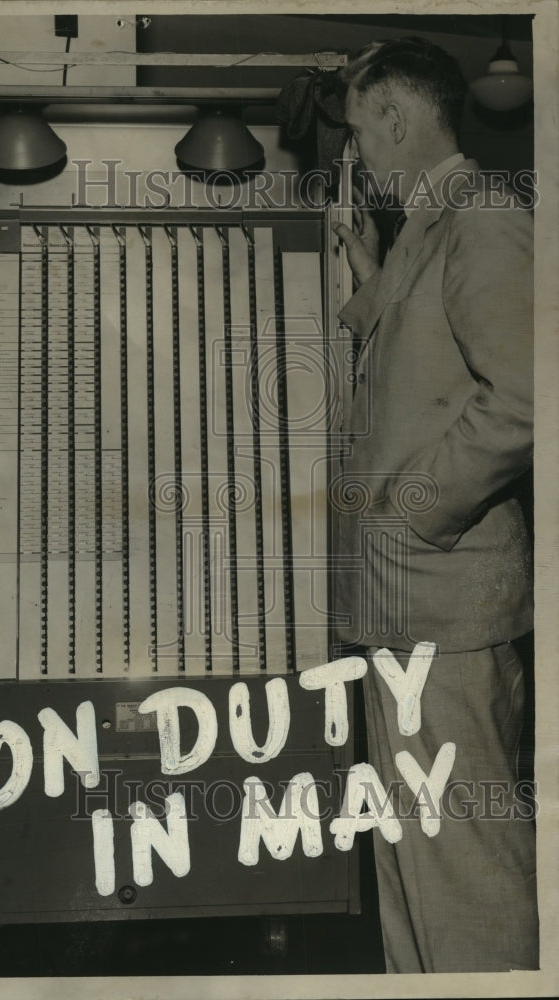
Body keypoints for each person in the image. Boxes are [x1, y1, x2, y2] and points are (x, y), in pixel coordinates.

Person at [330, 37, 538, 973]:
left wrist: (413, 510)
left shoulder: (483, 215)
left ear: (397, 120)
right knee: (412, 861)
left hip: (443, 611)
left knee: (465, 874)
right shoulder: (429, 226)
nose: (354, 155)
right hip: (405, 610)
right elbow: (416, 352)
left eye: (358, 132)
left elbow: (530, 392)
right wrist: (363, 265)